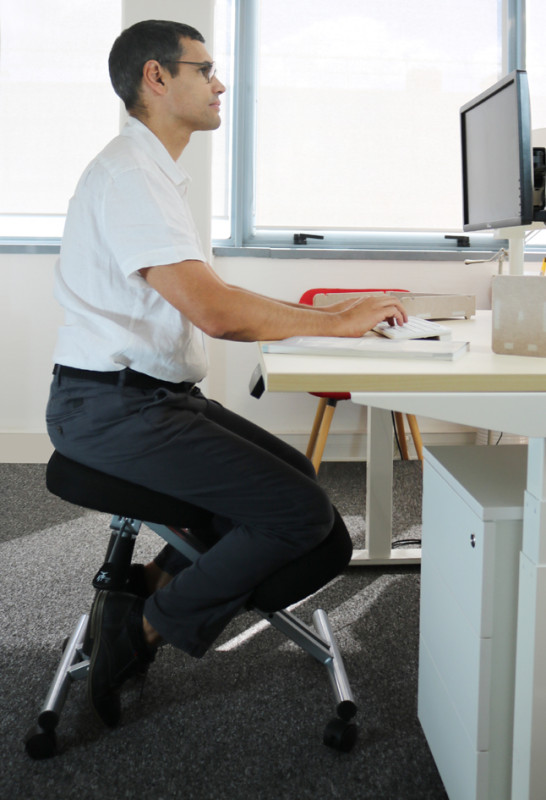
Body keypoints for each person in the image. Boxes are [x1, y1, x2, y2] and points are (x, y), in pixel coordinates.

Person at [46, 19, 407, 727]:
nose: (219, 84)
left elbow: (212, 297)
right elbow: (213, 310)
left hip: (153, 401)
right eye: (204, 69)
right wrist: (336, 322)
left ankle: (139, 588)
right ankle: (143, 626)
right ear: (157, 77)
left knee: (299, 490)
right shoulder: (130, 176)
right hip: (115, 409)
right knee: (304, 518)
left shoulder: (150, 173)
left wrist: (333, 316)